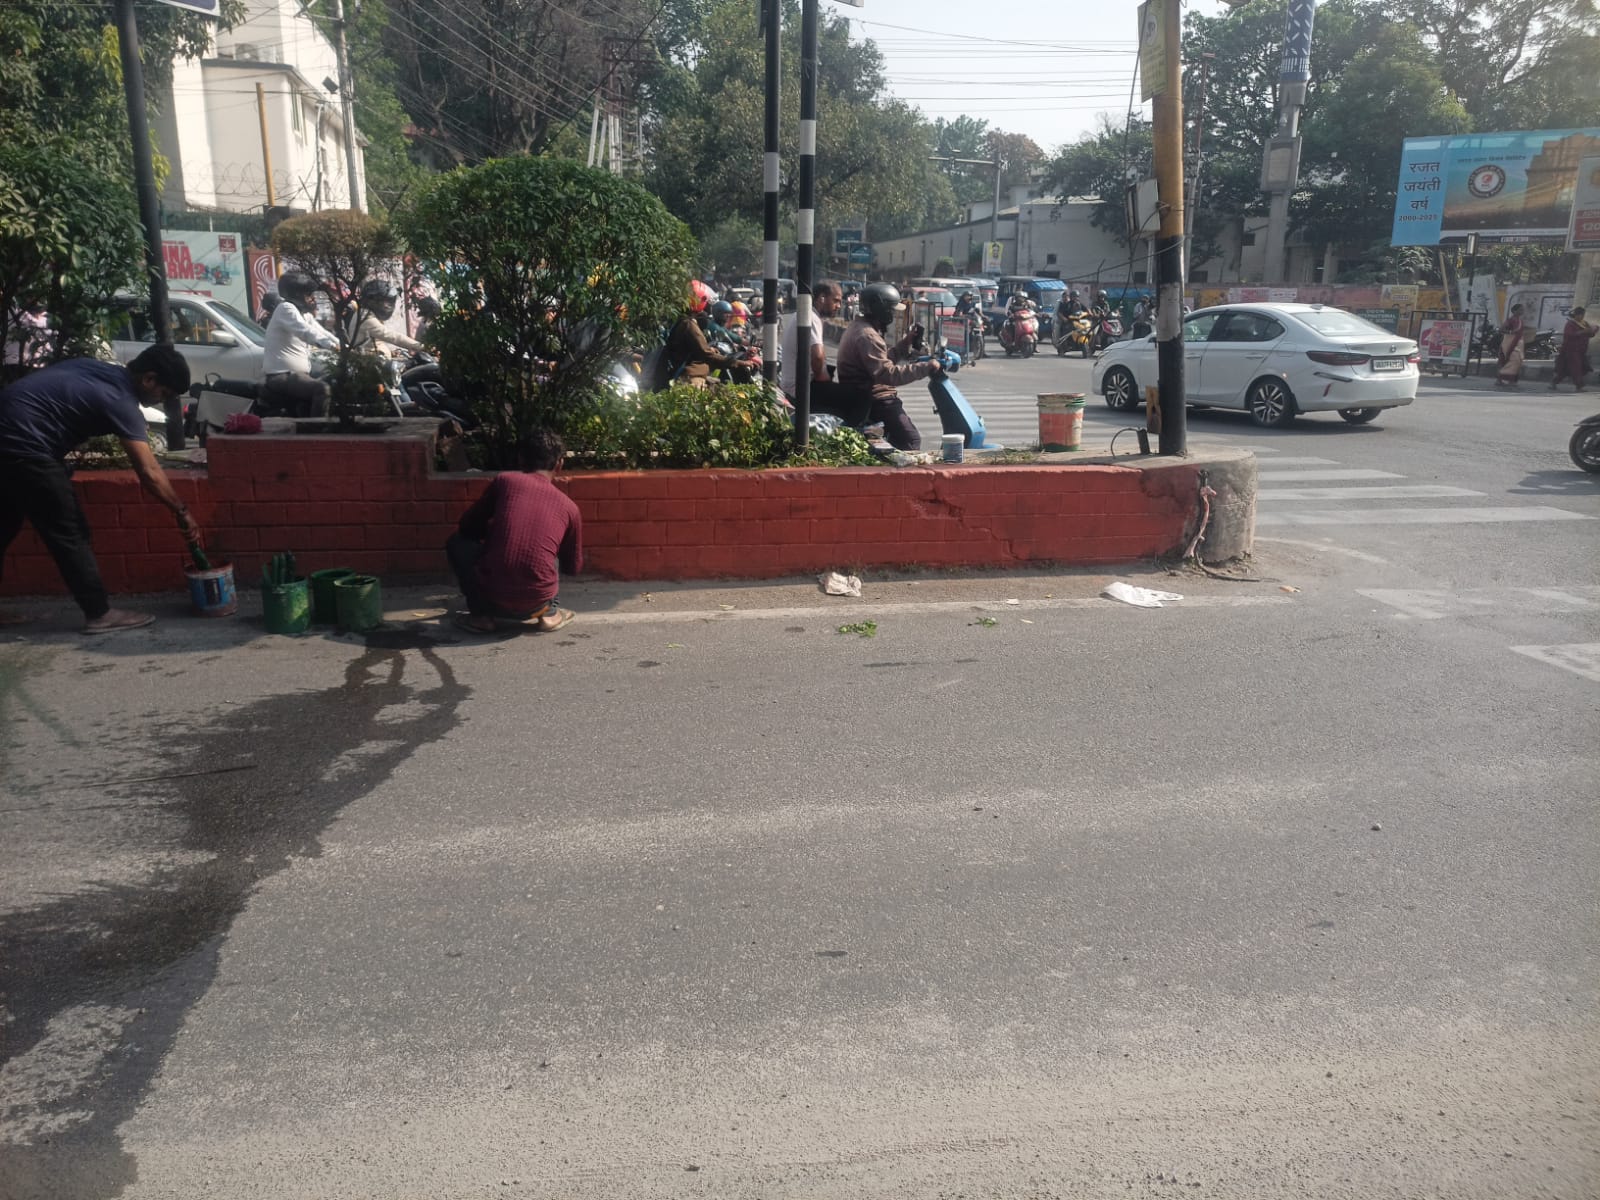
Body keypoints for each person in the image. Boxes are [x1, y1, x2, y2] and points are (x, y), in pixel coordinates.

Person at [0, 346, 203, 633]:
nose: (161, 400)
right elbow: (149, 472)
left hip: (10, 436)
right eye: (164, 393)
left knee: (4, 525)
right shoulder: (120, 401)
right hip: (25, 448)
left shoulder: (97, 370)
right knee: (70, 531)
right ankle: (99, 613)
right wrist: (182, 511)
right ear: (149, 379)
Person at [447, 429, 581, 635]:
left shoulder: (505, 481)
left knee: (457, 542)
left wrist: (493, 537)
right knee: (549, 552)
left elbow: (468, 527)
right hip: (538, 604)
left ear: (520, 459)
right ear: (559, 464)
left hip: (492, 600)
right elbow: (573, 567)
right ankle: (550, 615)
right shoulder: (570, 508)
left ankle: (481, 617)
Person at [836, 282, 945, 450]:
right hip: (875, 399)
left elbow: (879, 361)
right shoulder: (868, 336)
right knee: (911, 441)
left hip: (865, 395)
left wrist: (905, 344)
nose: (893, 314)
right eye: (892, 310)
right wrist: (927, 366)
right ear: (881, 309)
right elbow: (887, 374)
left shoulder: (860, 328)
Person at [261, 272, 339, 415]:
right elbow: (305, 332)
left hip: (298, 375)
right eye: (308, 294)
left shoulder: (305, 315)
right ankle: (319, 427)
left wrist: (346, 347)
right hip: (282, 376)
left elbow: (322, 332)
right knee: (322, 389)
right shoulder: (285, 309)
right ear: (295, 294)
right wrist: (332, 346)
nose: (313, 299)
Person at [666, 280, 746, 386]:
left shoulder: (683, 321)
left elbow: (697, 349)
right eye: (705, 301)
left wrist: (711, 349)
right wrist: (738, 363)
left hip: (694, 375)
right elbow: (706, 354)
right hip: (692, 379)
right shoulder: (689, 324)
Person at [779, 281, 842, 401]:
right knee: (858, 397)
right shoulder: (810, 317)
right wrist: (825, 379)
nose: (838, 306)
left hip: (793, 386)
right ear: (822, 298)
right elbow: (817, 357)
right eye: (835, 301)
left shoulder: (804, 315)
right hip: (801, 389)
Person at [347, 280, 424, 358]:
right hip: (370, 364)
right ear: (373, 301)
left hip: (376, 360)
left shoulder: (365, 313)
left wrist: (390, 352)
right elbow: (393, 337)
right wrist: (420, 346)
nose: (387, 306)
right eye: (384, 301)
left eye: (389, 302)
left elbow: (375, 343)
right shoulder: (366, 318)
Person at [1551, 307, 1597, 392]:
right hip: (1571, 350)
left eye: (1583, 315)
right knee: (1576, 367)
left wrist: (1594, 330)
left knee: (1567, 369)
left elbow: (1590, 334)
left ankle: (1554, 382)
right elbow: (1569, 335)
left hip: (1581, 350)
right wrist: (1583, 332)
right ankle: (1579, 386)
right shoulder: (1570, 324)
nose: (1581, 317)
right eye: (1580, 315)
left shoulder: (1584, 323)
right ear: (1576, 315)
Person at [1496, 303, 1527, 389]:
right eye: (1520, 310)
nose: (1522, 311)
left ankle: (1510, 380)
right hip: (1509, 343)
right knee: (1512, 360)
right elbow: (1501, 329)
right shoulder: (1511, 320)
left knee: (1517, 361)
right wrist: (1511, 332)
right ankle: (1503, 379)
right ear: (1514, 311)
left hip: (1518, 343)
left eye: (1522, 310)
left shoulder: (1520, 321)